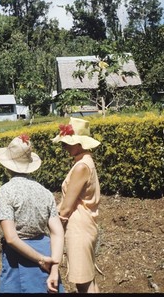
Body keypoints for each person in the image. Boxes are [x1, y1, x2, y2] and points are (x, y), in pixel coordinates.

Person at [0, 134, 65, 293]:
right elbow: (58, 232)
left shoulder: (6, 191)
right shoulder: (45, 192)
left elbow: (12, 238)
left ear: (7, 166)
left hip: (19, 256)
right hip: (45, 250)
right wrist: (54, 268)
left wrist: (41, 260)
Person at [52, 117, 101, 293]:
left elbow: (66, 208)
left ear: (79, 143)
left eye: (67, 143)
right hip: (85, 223)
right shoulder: (86, 162)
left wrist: (55, 225)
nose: (64, 147)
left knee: (82, 282)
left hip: (78, 226)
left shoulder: (81, 167)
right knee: (88, 278)